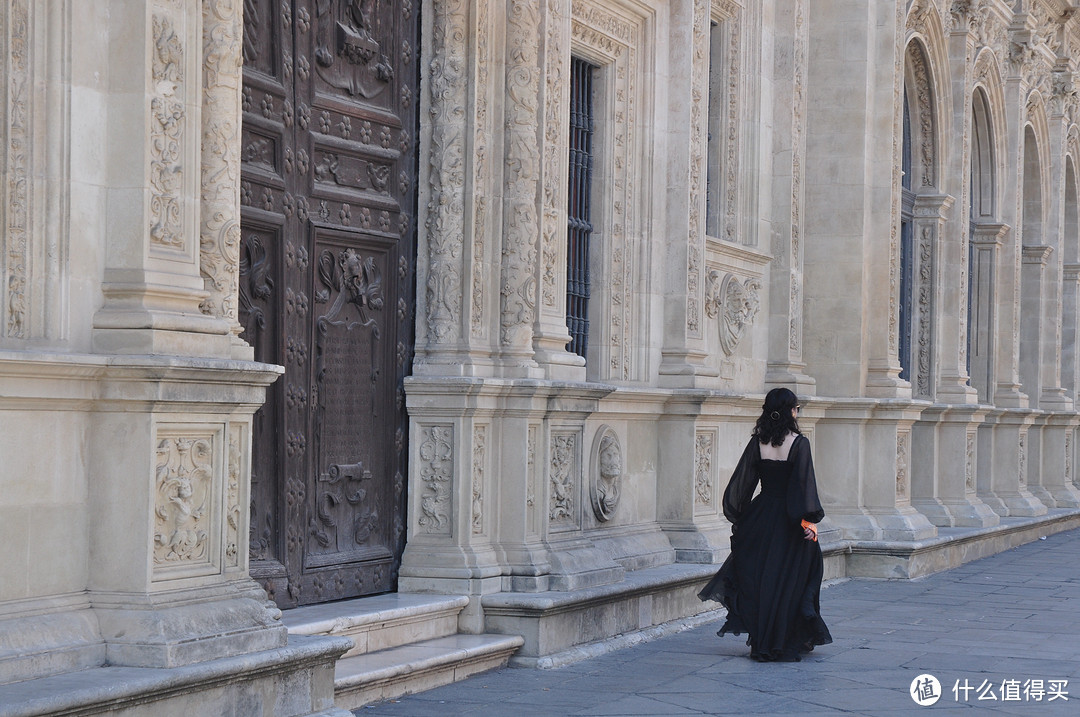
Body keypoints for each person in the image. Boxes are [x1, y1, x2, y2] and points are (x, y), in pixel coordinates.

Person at [698, 387, 832, 661]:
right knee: (793, 579)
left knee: (765, 580)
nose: (797, 412)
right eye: (796, 408)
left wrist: (745, 519)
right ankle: (783, 639)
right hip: (789, 519)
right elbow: (803, 488)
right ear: (789, 411)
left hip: (761, 516)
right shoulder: (799, 443)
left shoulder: (758, 441)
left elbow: (740, 486)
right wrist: (809, 521)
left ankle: (762, 641)